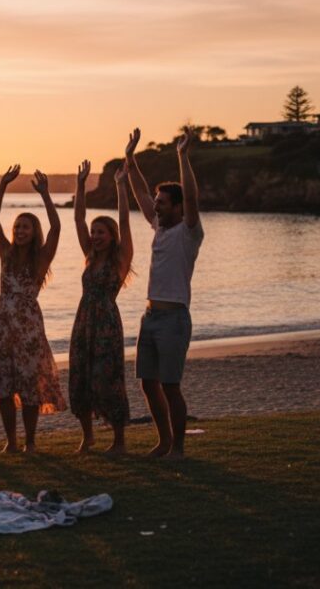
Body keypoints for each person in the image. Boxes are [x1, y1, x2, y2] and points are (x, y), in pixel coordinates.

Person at [126, 127, 204, 458]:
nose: (155, 206)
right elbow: (141, 193)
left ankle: (179, 448)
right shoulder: (159, 227)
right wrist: (130, 159)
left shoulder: (189, 232)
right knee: (147, 383)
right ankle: (164, 441)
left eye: (162, 202)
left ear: (176, 206)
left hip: (174, 318)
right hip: (151, 316)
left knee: (170, 386)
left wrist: (182, 156)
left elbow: (191, 197)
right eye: (156, 202)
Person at [0, 166, 67, 453]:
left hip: (30, 330)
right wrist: (2, 184)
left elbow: (57, 228)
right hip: (2, 329)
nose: (20, 231)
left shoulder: (41, 258)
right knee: (6, 388)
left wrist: (46, 195)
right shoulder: (6, 254)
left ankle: (30, 442)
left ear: (34, 232)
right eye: (17, 227)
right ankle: (10, 442)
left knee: (30, 388)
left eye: (26, 227)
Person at [69, 155, 133, 455]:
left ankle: (119, 441)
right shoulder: (90, 257)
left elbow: (124, 220)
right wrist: (81, 185)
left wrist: (121, 186)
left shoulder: (120, 261)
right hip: (83, 323)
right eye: (93, 233)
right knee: (80, 377)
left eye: (100, 232)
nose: (94, 236)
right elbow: (78, 218)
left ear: (111, 237)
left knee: (108, 380)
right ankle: (88, 436)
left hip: (106, 325)